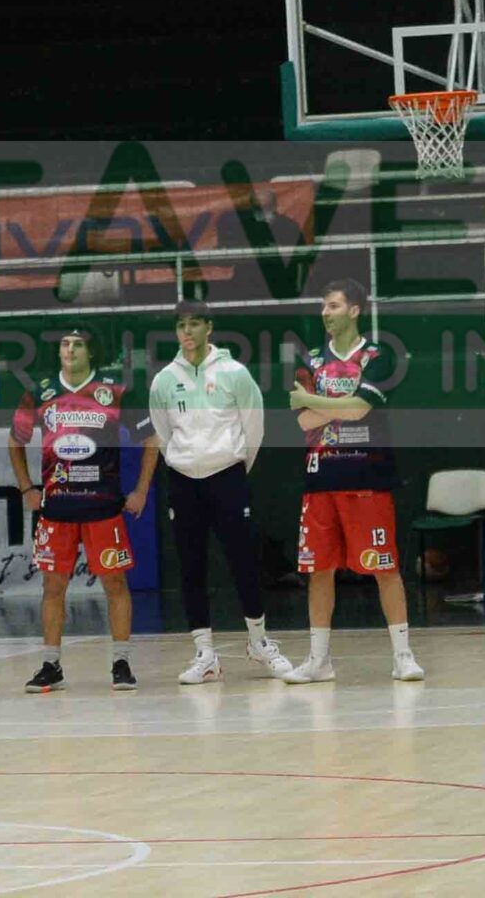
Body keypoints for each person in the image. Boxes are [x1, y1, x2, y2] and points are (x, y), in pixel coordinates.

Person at [282, 278, 424, 684]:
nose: (325, 313)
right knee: (319, 570)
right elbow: (304, 421)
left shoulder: (378, 356)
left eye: (334, 306)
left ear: (355, 310)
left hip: (368, 476)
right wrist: (334, 406)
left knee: (384, 567)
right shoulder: (309, 360)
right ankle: (319, 661)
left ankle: (403, 656)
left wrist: (312, 400)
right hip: (320, 478)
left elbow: (361, 410)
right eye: (324, 306)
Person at [145, 299, 291, 684]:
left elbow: (254, 428)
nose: (187, 331)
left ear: (209, 327)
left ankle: (259, 642)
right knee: (191, 566)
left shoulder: (235, 373)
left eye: (195, 324)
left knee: (244, 561)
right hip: (183, 481)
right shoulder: (163, 380)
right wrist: (184, 463)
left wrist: (233, 465)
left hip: (227, 476)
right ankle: (205, 654)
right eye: (181, 325)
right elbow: (162, 434)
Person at [10, 328, 153, 692]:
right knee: (53, 585)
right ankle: (51, 665)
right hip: (57, 507)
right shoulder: (40, 392)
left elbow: (151, 440)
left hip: (103, 506)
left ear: (91, 353)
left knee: (115, 583)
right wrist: (27, 487)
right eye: (64, 344)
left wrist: (140, 490)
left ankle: (121, 662)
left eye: (77, 345)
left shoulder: (115, 391)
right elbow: (15, 441)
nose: (69, 349)